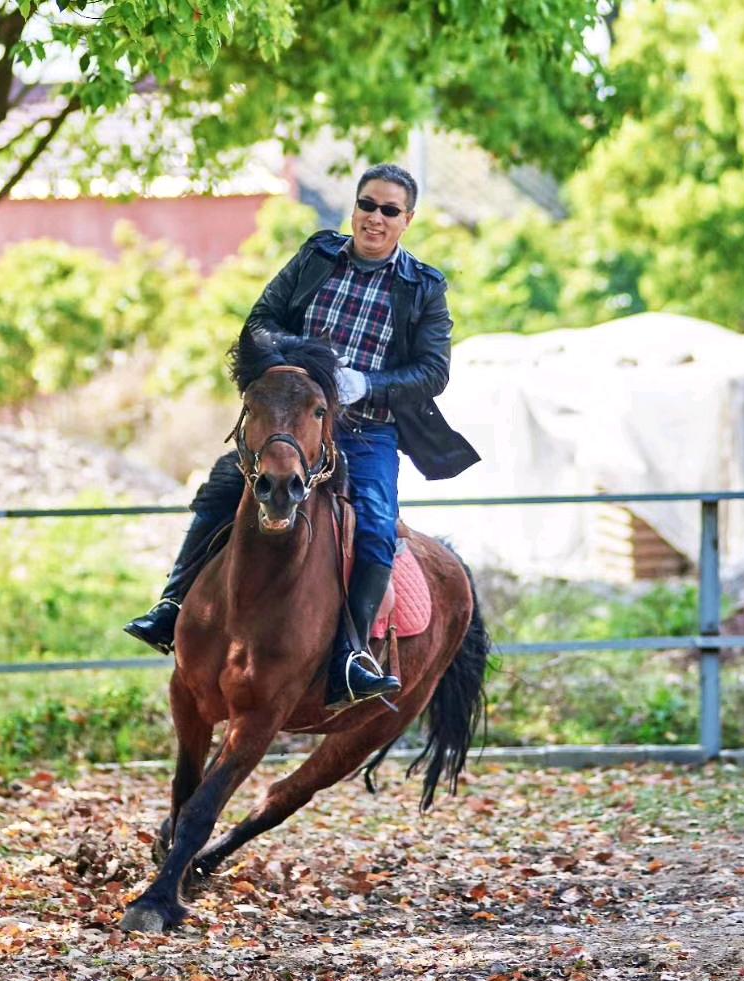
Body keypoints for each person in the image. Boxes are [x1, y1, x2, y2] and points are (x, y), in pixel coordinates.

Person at [125, 163, 480, 707]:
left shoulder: (425, 287)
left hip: (366, 431)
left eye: (389, 210)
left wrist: (368, 383)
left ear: (407, 220)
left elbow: (434, 371)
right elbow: (261, 321)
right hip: (292, 420)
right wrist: (302, 363)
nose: (375, 218)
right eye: (367, 205)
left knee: (378, 526)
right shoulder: (317, 255)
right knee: (222, 488)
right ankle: (172, 605)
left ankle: (352, 655)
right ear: (354, 207)